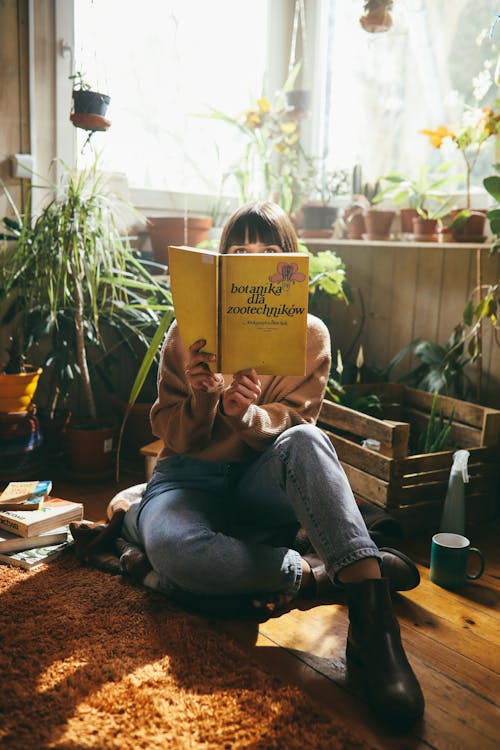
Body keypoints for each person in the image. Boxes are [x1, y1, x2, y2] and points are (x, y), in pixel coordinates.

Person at [71, 201, 424, 728]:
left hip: (262, 484)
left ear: (288, 265)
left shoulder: (311, 336)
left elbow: (294, 425)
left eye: (268, 253)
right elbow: (169, 430)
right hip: (186, 480)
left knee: (308, 440)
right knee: (174, 551)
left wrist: (248, 414)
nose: (253, 262)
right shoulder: (185, 334)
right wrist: (203, 398)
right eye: (239, 253)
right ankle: (320, 576)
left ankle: (375, 630)